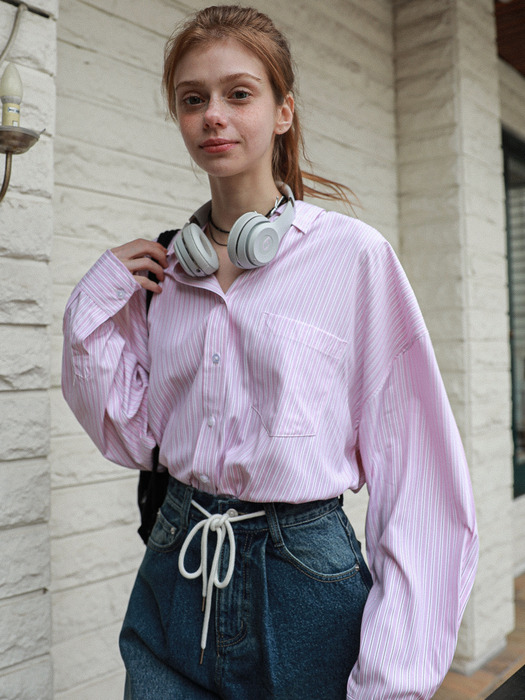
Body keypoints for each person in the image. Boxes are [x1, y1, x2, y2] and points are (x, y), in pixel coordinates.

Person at [61, 5, 478, 699]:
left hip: (303, 580)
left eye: (238, 93)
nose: (213, 116)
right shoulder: (166, 272)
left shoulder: (353, 258)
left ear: (282, 112)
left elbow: (420, 486)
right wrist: (92, 305)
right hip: (176, 563)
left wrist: (395, 678)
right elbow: (132, 438)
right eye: (192, 99)